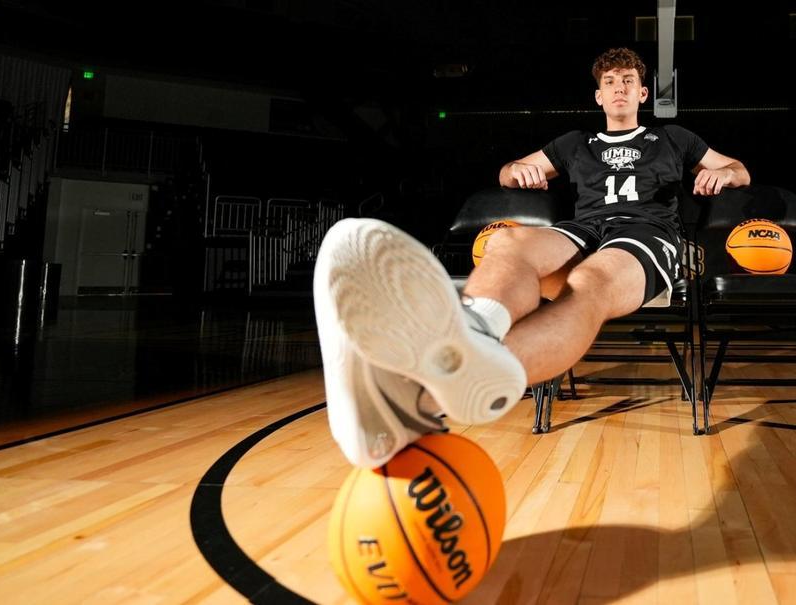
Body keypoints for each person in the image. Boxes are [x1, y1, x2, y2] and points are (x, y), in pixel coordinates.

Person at [314, 48, 750, 467]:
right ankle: (476, 331)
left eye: (629, 82)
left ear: (642, 93)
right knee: (509, 244)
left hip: (647, 234)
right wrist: (515, 171)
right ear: (598, 95)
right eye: (610, 82)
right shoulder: (577, 142)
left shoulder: (674, 138)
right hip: (586, 228)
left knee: (591, 282)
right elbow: (509, 169)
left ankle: (416, 393)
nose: (619, 88)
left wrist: (722, 173)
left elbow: (739, 169)